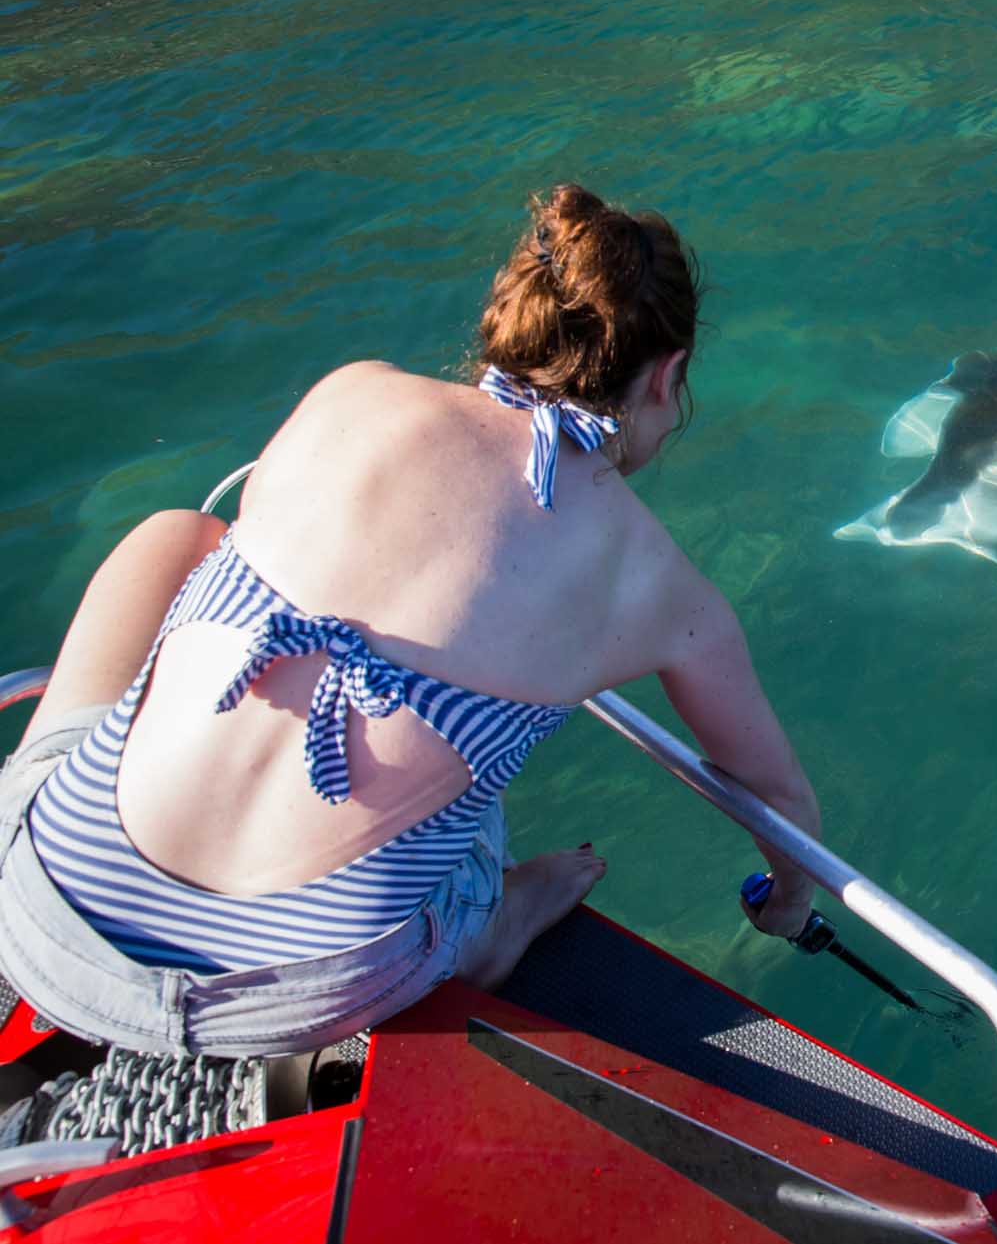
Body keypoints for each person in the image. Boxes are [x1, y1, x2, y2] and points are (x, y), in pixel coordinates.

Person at [0, 184, 824, 1057]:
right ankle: (489, 927)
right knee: (469, 782)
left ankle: (74, 763)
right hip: (291, 995)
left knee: (182, 535)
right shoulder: (660, 581)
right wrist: (786, 905)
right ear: (666, 374)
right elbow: (781, 801)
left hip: (43, 908)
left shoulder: (353, 392)